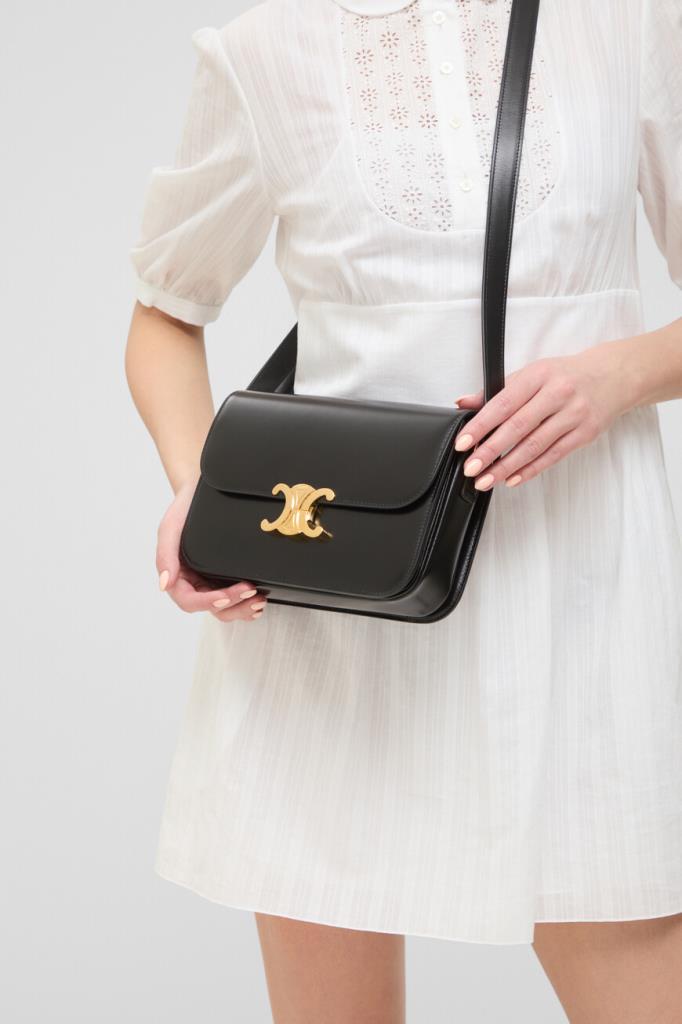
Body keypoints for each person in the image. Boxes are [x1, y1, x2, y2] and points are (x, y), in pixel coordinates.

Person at [125, 0, 682, 1019]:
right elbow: (164, 312)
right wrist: (197, 490)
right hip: (334, 615)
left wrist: (616, 375)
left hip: (577, 598)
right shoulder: (263, 51)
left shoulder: (625, 20)